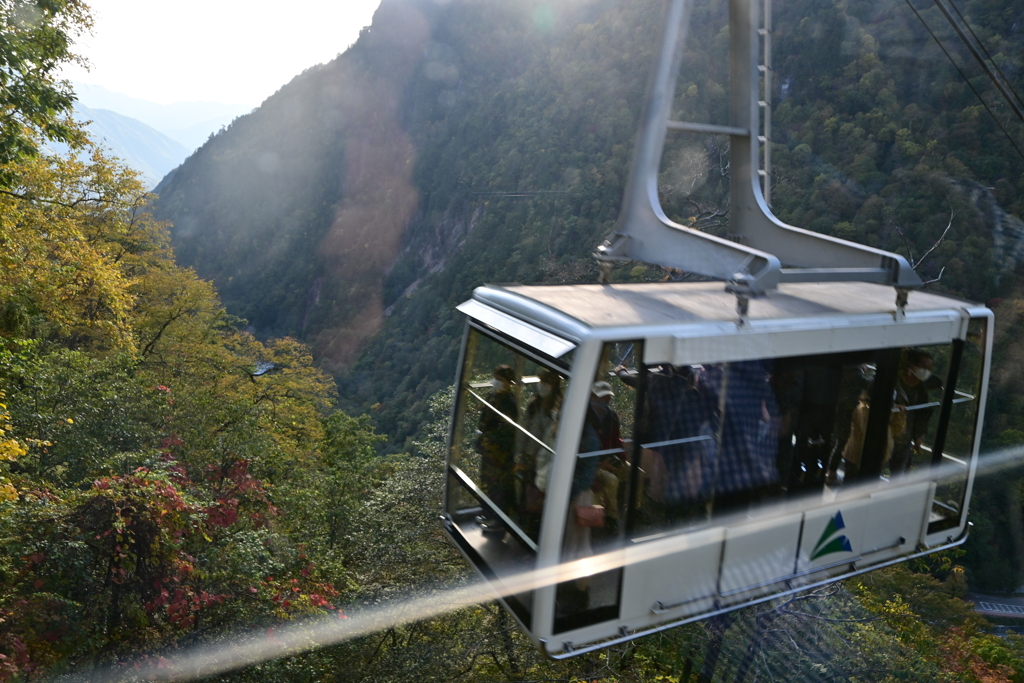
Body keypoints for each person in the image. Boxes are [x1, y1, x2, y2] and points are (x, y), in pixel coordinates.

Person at [477, 364, 518, 533]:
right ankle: (488, 513)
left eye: (500, 379)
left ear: (509, 382)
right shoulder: (493, 397)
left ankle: (499, 520)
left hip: (500, 454)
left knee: (499, 486)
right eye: (496, 378)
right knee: (487, 482)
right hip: (489, 451)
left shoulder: (509, 403)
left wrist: (491, 440)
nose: (496, 382)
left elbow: (509, 431)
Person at [891, 349, 942, 475]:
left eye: (929, 368)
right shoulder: (893, 380)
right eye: (924, 367)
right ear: (912, 365)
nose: (927, 371)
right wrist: (893, 406)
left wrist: (919, 436)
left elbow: (923, 413)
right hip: (887, 431)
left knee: (901, 470)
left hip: (905, 435)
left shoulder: (922, 388)